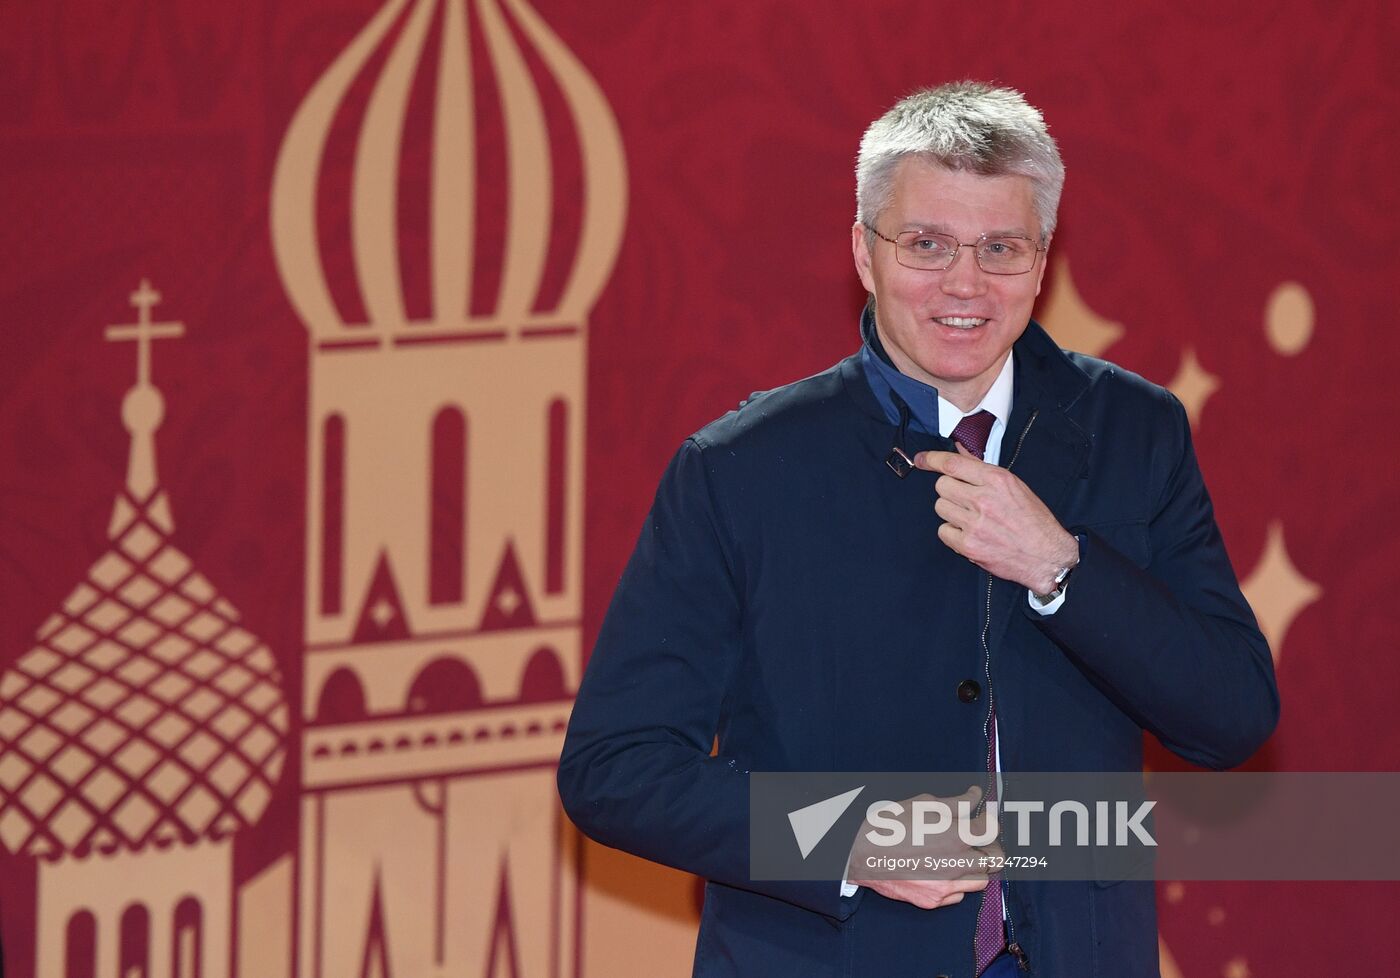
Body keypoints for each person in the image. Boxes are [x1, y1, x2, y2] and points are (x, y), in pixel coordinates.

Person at [558, 81, 1279, 978]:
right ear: (864, 251)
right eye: (926, 245)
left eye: (1000, 248)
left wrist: (1062, 569)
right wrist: (849, 840)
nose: (964, 285)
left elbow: (1233, 715)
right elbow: (615, 769)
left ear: (1044, 256)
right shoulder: (739, 468)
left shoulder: (1137, 430)